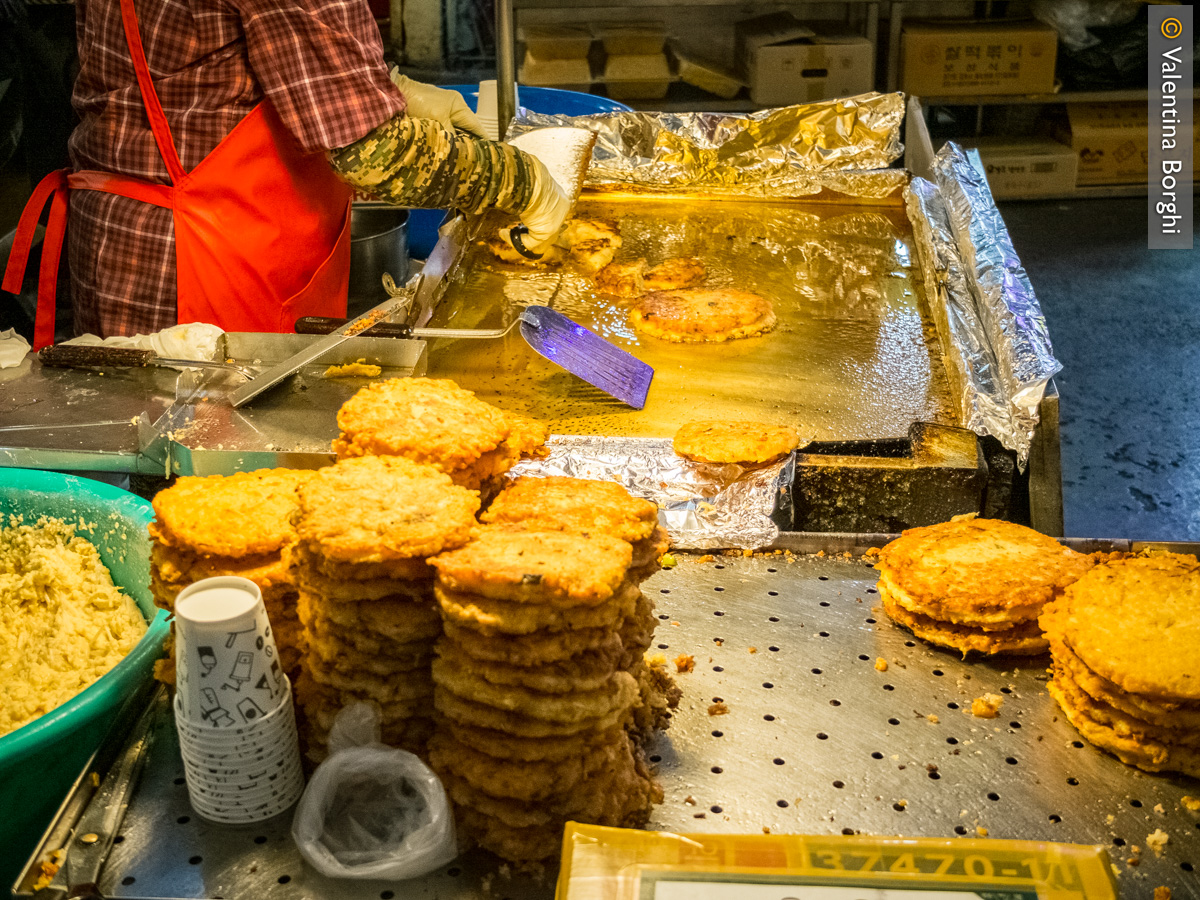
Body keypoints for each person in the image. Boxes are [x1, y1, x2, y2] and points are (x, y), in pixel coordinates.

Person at [2, 0, 569, 349]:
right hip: (201, 265)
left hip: (134, 232)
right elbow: (375, 155)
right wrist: (524, 183)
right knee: (210, 499)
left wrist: (384, 88)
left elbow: (211, 65)